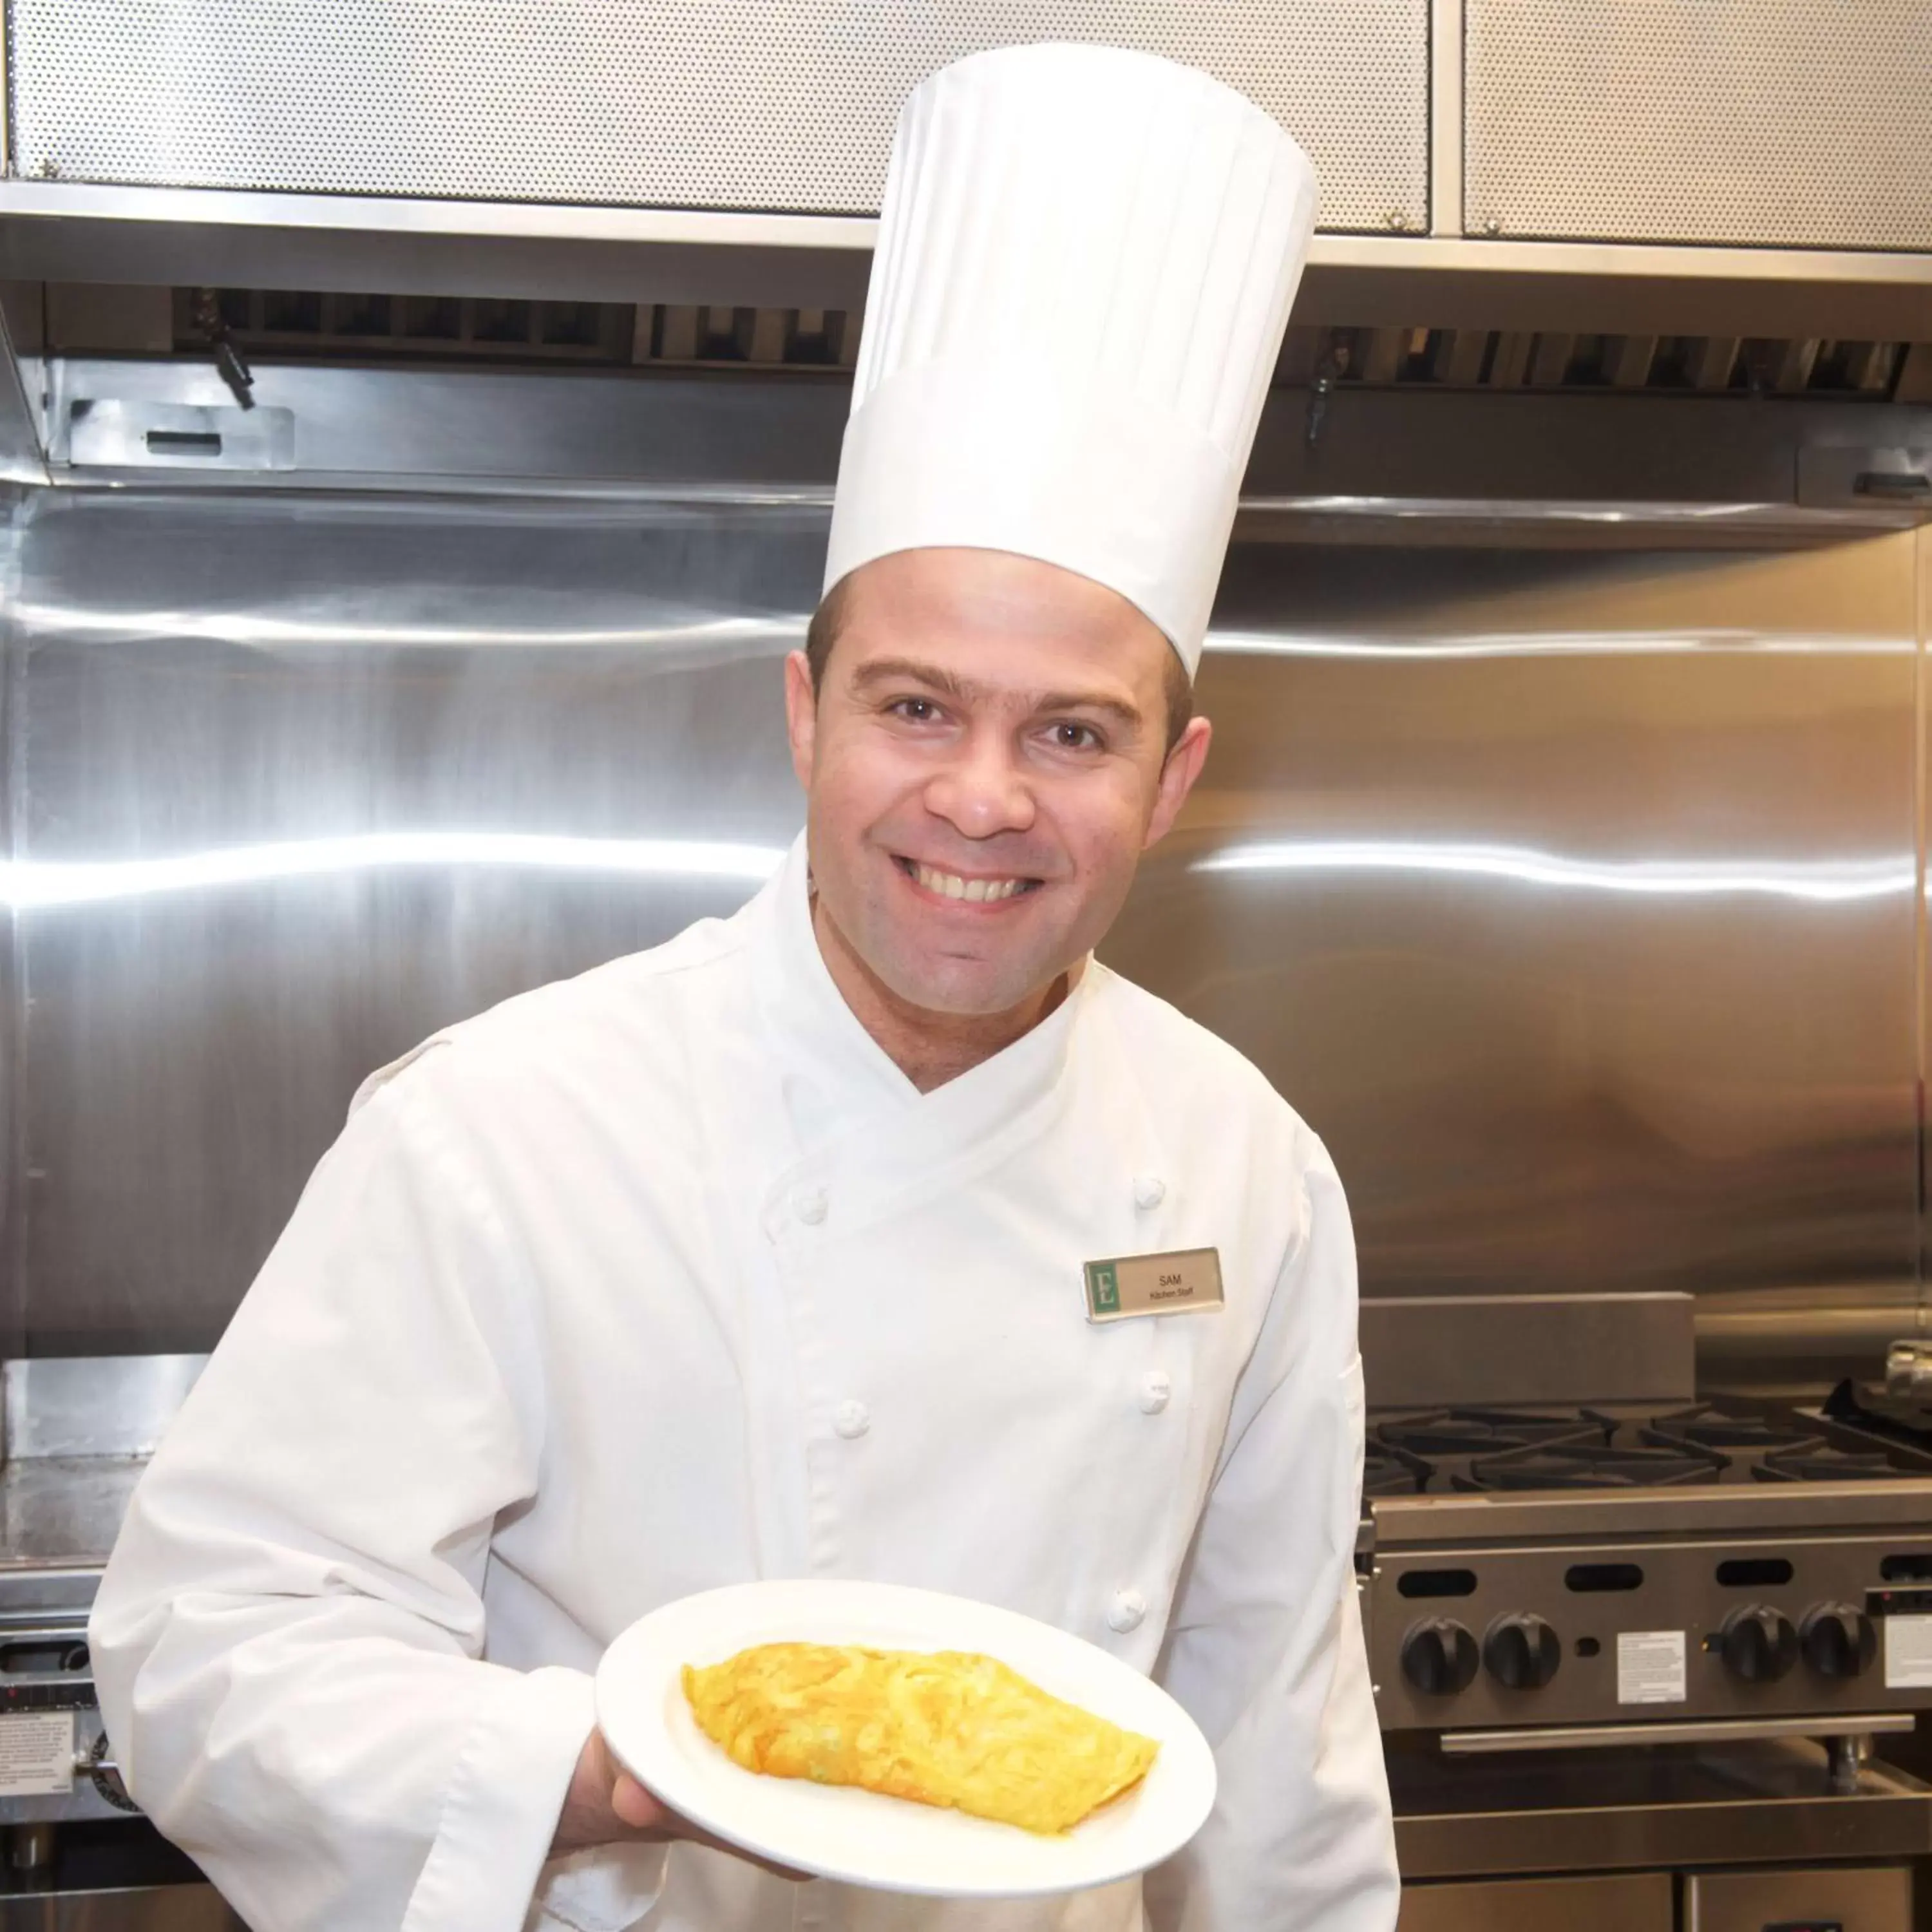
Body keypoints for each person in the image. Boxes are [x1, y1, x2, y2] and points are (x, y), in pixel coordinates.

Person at [90, 41, 1399, 1932]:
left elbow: (1276, 1737)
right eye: (918, 705)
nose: (983, 798)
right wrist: (592, 1772)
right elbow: (210, 1644)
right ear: (805, 717)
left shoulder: (1247, 1168)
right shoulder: (506, 1131)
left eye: (1077, 732)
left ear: (1174, 784)